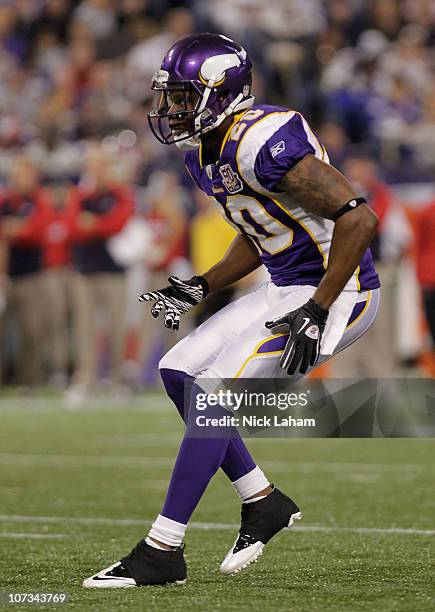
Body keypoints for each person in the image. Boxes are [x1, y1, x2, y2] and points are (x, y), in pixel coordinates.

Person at [84, 33, 380, 588]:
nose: (170, 109)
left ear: (221, 93)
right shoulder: (204, 152)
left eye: (181, 96)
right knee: (177, 371)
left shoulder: (262, 140)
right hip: (283, 284)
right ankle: (261, 500)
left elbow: (359, 219)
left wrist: (318, 308)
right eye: (168, 97)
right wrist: (201, 283)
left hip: (339, 292)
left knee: (216, 395)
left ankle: (162, 549)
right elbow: (257, 231)